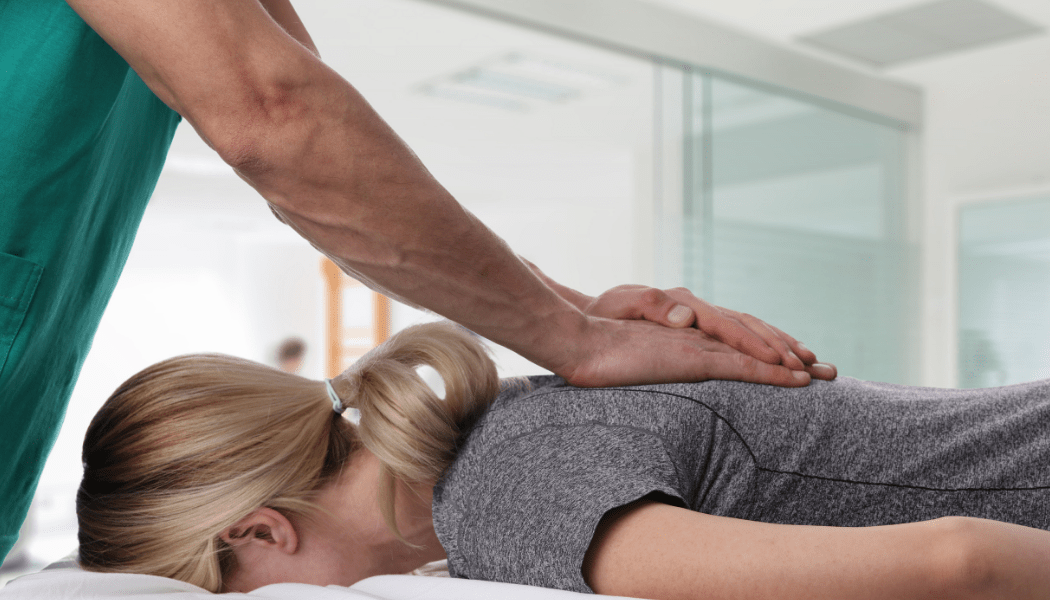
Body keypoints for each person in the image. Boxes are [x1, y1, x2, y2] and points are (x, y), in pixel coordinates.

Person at [0, 0, 835, 563]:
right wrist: (573, 337)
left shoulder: (523, 492)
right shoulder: (517, 490)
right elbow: (274, 123)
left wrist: (569, 310)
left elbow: (315, 159)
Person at [77, 322, 1050, 599]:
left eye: (230, 594)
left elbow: (957, 564)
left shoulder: (506, 507)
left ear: (258, 531)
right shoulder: (508, 425)